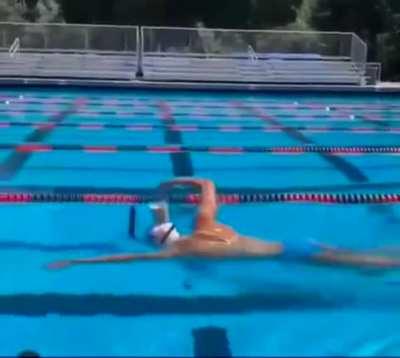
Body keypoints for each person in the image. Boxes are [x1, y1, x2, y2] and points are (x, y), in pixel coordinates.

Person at [47, 178, 400, 271]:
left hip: (295, 255)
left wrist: (77, 261)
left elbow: (124, 260)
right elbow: (209, 186)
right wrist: (177, 181)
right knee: (363, 260)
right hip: (294, 243)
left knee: (369, 263)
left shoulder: (177, 252)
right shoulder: (203, 225)